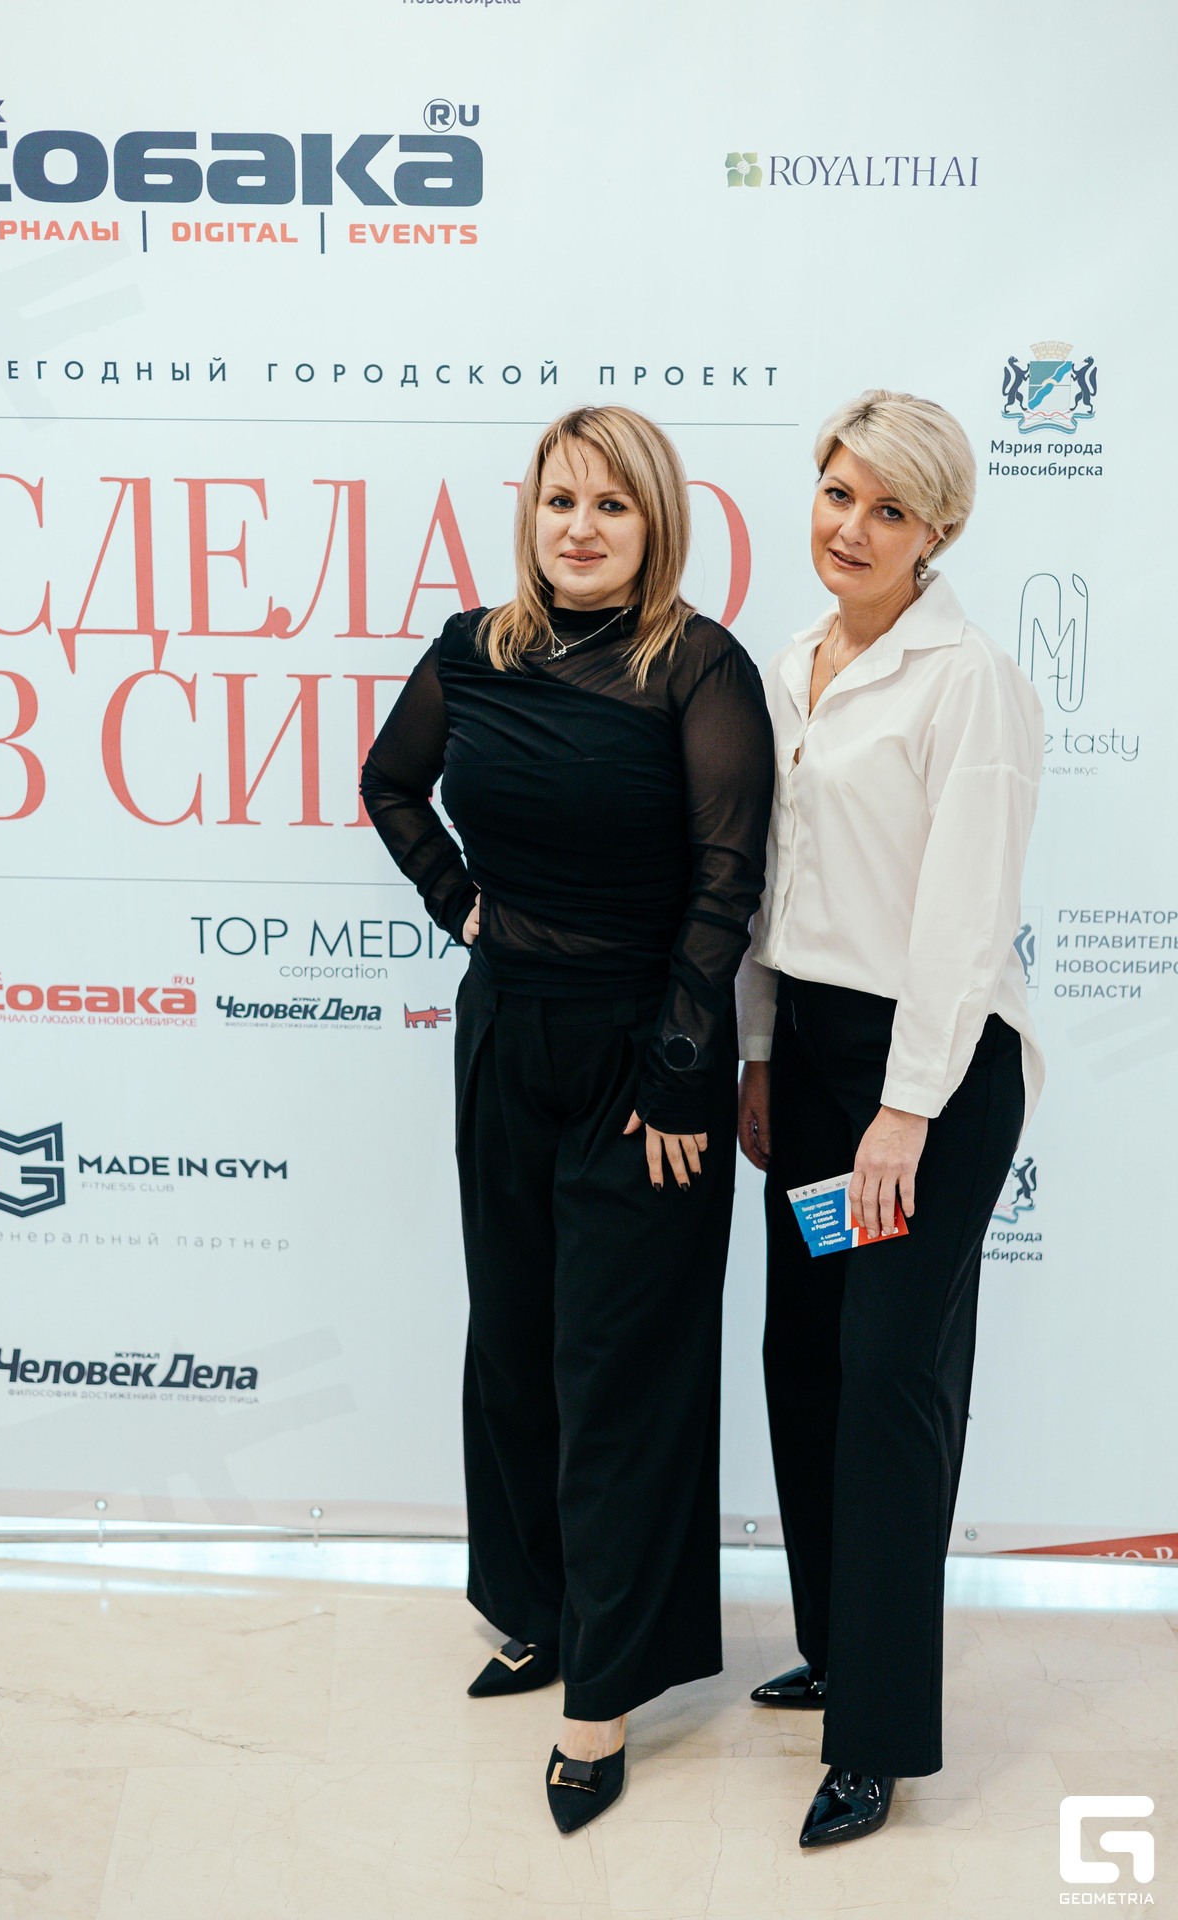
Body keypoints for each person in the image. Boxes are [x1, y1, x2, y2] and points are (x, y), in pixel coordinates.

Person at [361, 404, 773, 1831]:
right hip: (505, 1039)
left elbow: (726, 879)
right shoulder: (471, 649)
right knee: (518, 1343)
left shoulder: (698, 665)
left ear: (656, 524)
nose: (580, 527)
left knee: (620, 1372)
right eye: (559, 502)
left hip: (645, 1061)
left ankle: (604, 1688)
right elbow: (389, 783)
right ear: (529, 515)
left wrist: (679, 1063)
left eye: (612, 504)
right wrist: (460, 906)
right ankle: (537, 1610)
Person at [735, 390, 1043, 1850]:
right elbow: (771, 889)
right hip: (810, 1058)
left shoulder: (968, 682)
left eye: (889, 508)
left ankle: (877, 1737)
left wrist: (904, 1110)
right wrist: (758, 1054)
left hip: (931, 1075)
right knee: (805, 1354)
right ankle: (835, 1644)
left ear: (941, 532)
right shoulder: (787, 664)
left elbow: (964, 918)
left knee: (886, 1377)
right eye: (837, 492)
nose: (850, 527)